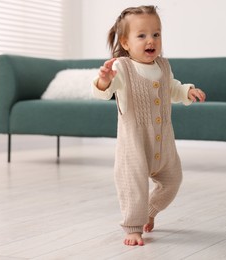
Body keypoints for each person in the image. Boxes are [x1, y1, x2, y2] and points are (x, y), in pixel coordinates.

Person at [93, 5, 206, 246]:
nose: (151, 40)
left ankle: (149, 212)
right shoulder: (121, 68)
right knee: (134, 187)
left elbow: (172, 88)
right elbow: (104, 93)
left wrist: (188, 91)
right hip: (134, 145)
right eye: (141, 35)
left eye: (156, 34)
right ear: (125, 42)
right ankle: (133, 227)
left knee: (173, 180)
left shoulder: (163, 66)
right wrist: (103, 81)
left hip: (163, 142)